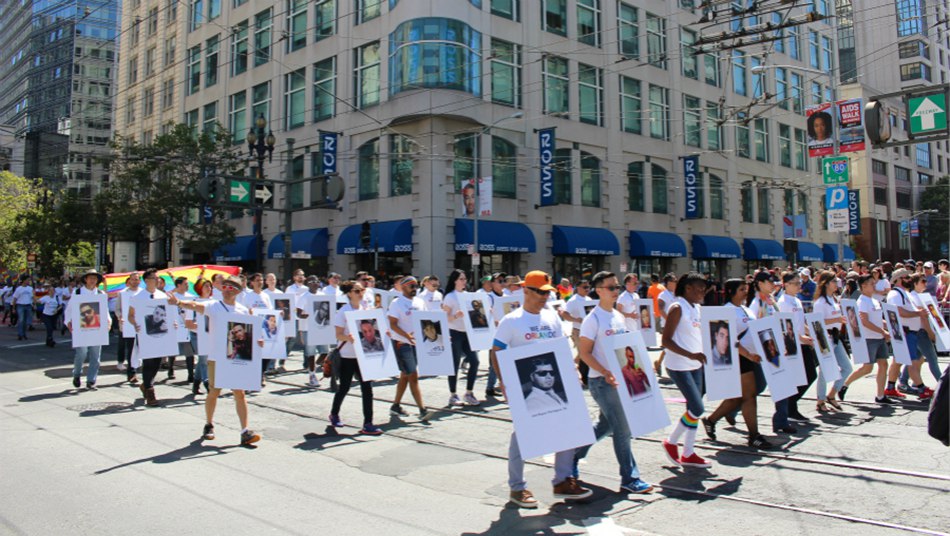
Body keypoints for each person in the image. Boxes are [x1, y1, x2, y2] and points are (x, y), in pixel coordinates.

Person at [491, 269, 592, 509]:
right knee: (523, 434)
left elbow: (561, 346)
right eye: (539, 292)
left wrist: (573, 369)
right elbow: (496, 351)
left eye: (547, 292)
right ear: (526, 291)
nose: (544, 297)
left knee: (568, 427)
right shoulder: (511, 321)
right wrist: (504, 381)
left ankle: (562, 480)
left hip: (556, 383)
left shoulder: (551, 317)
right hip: (526, 388)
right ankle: (517, 487)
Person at [574, 271, 654, 494]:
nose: (616, 291)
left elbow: (625, 348)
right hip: (601, 382)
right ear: (599, 290)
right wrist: (604, 371)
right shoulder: (593, 319)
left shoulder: (617, 316)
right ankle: (630, 478)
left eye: (617, 287)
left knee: (606, 425)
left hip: (620, 380)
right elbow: (584, 352)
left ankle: (572, 455)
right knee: (623, 428)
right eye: (611, 287)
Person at [170, 276, 262, 447]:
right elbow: (196, 306)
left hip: (236, 358)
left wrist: (258, 341)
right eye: (224, 286)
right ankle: (209, 424)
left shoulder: (243, 310)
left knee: (240, 393)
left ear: (237, 291)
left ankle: (245, 431)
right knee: (214, 392)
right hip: (217, 357)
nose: (226, 290)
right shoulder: (214, 305)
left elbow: (251, 334)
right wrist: (179, 303)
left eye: (230, 287)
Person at [703, 279, 773, 450]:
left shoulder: (746, 309)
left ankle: (711, 420)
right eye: (742, 289)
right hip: (738, 358)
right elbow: (729, 339)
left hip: (751, 357)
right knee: (749, 396)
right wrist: (748, 354)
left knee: (737, 397)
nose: (745, 292)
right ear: (731, 292)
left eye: (746, 289)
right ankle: (754, 435)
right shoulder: (726, 310)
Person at [661, 272, 712, 468]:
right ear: (688, 288)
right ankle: (671, 441)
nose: (703, 292)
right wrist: (690, 354)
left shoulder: (697, 308)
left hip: (696, 364)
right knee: (697, 408)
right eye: (699, 289)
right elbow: (666, 340)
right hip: (679, 366)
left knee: (693, 410)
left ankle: (688, 452)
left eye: (704, 289)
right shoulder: (677, 307)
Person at [327, 279, 383, 434]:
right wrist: (348, 338)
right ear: (349, 294)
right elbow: (338, 334)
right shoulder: (343, 311)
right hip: (347, 355)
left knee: (367, 389)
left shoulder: (366, 309)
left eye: (362, 290)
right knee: (344, 387)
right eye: (357, 291)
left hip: (363, 355)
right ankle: (334, 414)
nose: (361, 293)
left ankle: (368, 423)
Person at [747, 271, 795, 434]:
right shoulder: (756, 303)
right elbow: (753, 327)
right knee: (759, 386)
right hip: (763, 349)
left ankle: (781, 420)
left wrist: (782, 342)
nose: (773, 284)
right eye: (770, 282)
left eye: (774, 282)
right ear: (760, 283)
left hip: (774, 347)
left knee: (782, 383)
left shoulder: (771, 300)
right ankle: (732, 407)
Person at [841, 274, 894, 404]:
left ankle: (880, 396)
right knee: (867, 368)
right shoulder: (862, 302)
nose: (874, 285)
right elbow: (864, 321)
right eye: (871, 283)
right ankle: (845, 384)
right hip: (869, 338)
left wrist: (889, 325)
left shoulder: (874, 300)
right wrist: (883, 331)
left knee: (883, 364)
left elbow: (877, 320)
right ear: (863, 286)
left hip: (879, 337)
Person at [387, 275, 434, 421]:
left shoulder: (420, 302)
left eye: (416, 286)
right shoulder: (396, 303)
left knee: (405, 374)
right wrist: (406, 335)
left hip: (417, 343)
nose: (415, 289)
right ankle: (422, 409)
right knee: (413, 374)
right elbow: (392, 324)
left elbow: (426, 321)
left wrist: (440, 336)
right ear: (403, 287)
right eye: (411, 286)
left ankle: (395, 405)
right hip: (402, 343)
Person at [776, 271, 818, 422]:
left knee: (810, 375)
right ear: (786, 285)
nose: (798, 286)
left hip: (802, 343)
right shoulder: (783, 302)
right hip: (793, 344)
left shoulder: (797, 300)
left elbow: (800, 322)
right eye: (795, 283)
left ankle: (791, 406)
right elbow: (786, 326)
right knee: (801, 376)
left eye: (799, 283)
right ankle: (790, 407)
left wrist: (811, 333)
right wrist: (801, 337)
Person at [886, 270, 933, 400]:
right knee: (912, 362)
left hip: (908, 332)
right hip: (905, 333)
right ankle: (922, 389)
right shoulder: (895, 294)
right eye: (906, 277)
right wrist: (918, 313)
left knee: (898, 362)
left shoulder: (904, 293)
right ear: (898, 279)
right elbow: (899, 311)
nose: (909, 279)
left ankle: (890, 388)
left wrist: (917, 312)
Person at [810, 271, 854, 410]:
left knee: (847, 367)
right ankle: (820, 400)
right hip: (825, 337)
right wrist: (836, 319)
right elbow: (817, 322)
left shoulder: (834, 299)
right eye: (834, 281)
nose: (836, 284)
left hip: (835, 336)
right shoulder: (820, 302)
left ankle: (832, 394)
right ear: (826, 283)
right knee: (824, 370)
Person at [128, 268, 171, 407]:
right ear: (147, 280)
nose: (158, 280)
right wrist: (135, 323)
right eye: (155, 278)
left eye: (158, 278)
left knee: (157, 363)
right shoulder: (138, 297)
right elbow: (130, 315)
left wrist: (173, 323)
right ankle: (150, 392)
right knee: (148, 362)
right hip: (145, 335)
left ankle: (145, 385)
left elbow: (169, 314)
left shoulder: (162, 296)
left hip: (160, 335)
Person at [65, 270, 110, 391]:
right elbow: (70, 309)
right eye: (90, 278)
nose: (92, 280)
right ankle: (77, 374)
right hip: (82, 328)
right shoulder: (77, 292)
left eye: (95, 279)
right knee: (82, 353)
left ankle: (91, 380)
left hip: (97, 328)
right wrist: (68, 321)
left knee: (95, 355)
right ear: (85, 279)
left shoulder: (100, 293)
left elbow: (104, 310)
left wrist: (108, 321)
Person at [442, 269, 480, 407]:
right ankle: (453, 395)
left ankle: (469, 393)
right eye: (461, 279)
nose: (464, 281)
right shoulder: (450, 297)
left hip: (467, 333)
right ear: (455, 281)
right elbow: (444, 317)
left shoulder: (468, 295)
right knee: (454, 364)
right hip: (455, 333)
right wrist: (455, 316)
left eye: (465, 279)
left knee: (475, 361)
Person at [169, 276, 197, 382]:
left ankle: (191, 374)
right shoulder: (172, 297)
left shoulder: (191, 297)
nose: (187, 286)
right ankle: (170, 369)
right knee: (173, 350)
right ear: (179, 285)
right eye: (185, 284)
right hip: (175, 326)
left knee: (189, 352)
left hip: (187, 327)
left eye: (187, 284)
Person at [116, 273, 143, 382]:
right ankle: (131, 373)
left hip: (141, 325)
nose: (135, 281)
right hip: (128, 325)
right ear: (129, 280)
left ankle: (137, 368)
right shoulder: (122, 293)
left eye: (137, 279)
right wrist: (120, 317)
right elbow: (118, 309)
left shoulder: (143, 293)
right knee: (131, 348)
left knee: (141, 348)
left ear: (139, 281)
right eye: (133, 279)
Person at [12, 275, 34, 340]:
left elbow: (32, 297)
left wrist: (34, 304)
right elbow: (15, 299)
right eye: (28, 280)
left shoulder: (30, 288)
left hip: (28, 305)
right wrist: (13, 308)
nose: (29, 281)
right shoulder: (18, 289)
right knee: (21, 320)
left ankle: (24, 333)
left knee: (26, 321)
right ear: (24, 281)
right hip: (20, 305)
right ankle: (20, 334)